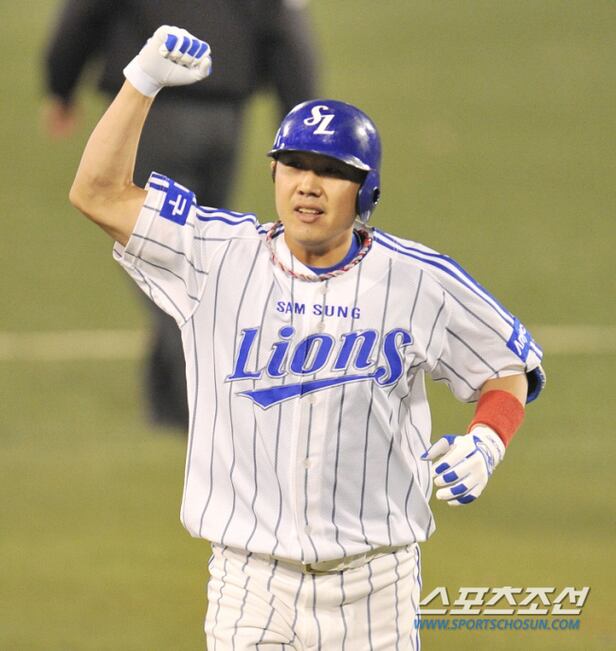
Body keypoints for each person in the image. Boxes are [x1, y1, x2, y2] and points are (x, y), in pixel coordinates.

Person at [69, 27, 546, 649]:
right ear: (274, 172)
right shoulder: (215, 256)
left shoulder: (418, 280)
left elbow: (505, 365)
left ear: (367, 190)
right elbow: (98, 192)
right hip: (249, 586)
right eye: (294, 164)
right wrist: (141, 81)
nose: (308, 184)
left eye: (331, 171)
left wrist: (487, 441)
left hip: (377, 590)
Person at [43, 0, 318, 429]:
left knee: (160, 253)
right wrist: (302, 130)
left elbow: (83, 14)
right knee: (197, 255)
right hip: (225, 121)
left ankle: (200, 397)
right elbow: (285, 31)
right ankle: (169, 399)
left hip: (150, 115)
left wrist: (61, 87)